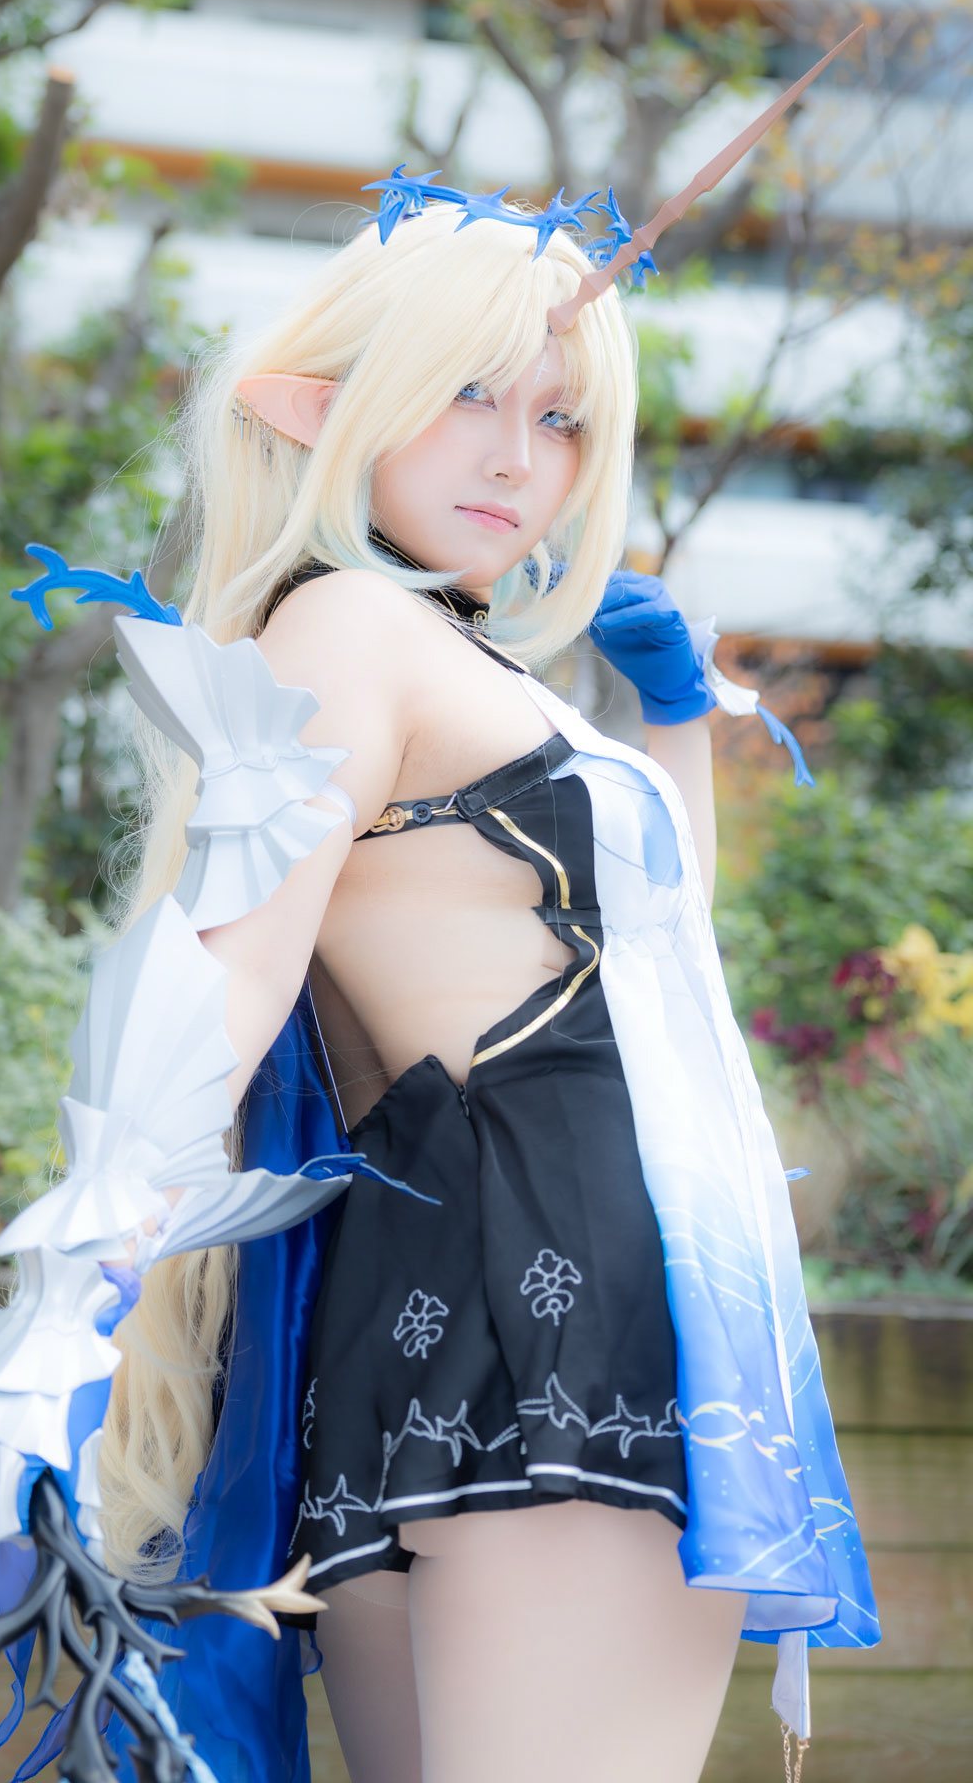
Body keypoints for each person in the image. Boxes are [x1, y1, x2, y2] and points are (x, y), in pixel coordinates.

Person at [87, 198, 877, 1783]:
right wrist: (96, 1237)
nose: (519, 459)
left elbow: (655, 954)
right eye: (467, 395)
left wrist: (669, 718)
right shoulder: (353, 622)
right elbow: (242, 962)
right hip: (568, 1314)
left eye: (561, 418)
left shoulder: (432, 652)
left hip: (444, 1317)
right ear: (323, 407)